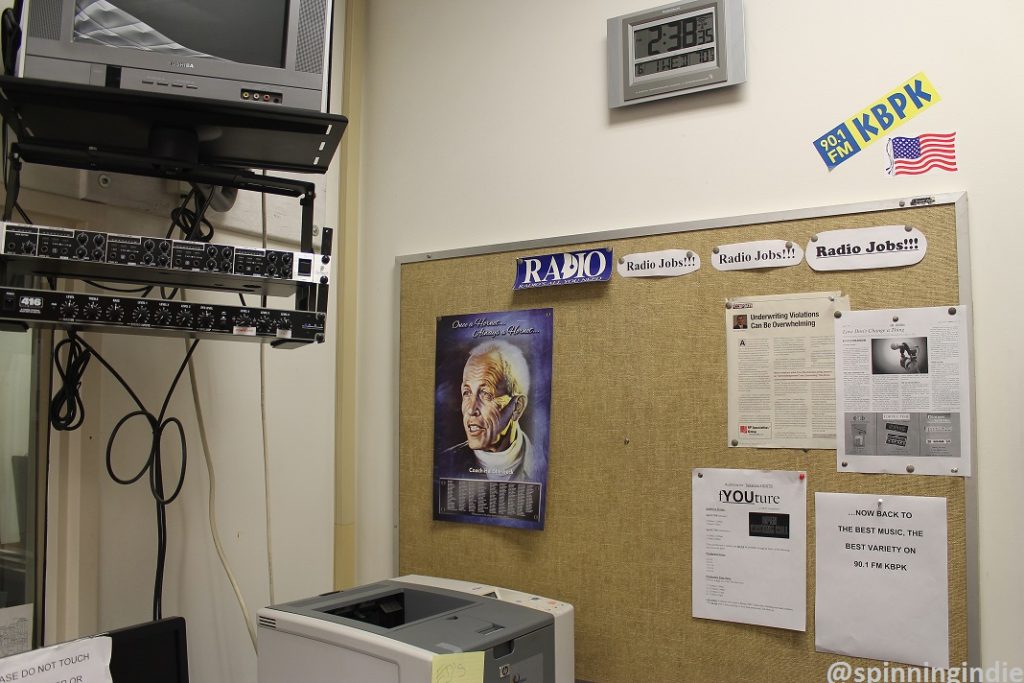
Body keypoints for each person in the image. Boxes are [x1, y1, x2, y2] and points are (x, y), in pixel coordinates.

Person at [439, 340, 544, 481]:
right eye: (467, 392)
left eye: (486, 394)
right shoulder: (444, 464)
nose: (471, 409)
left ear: (517, 408)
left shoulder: (543, 467)